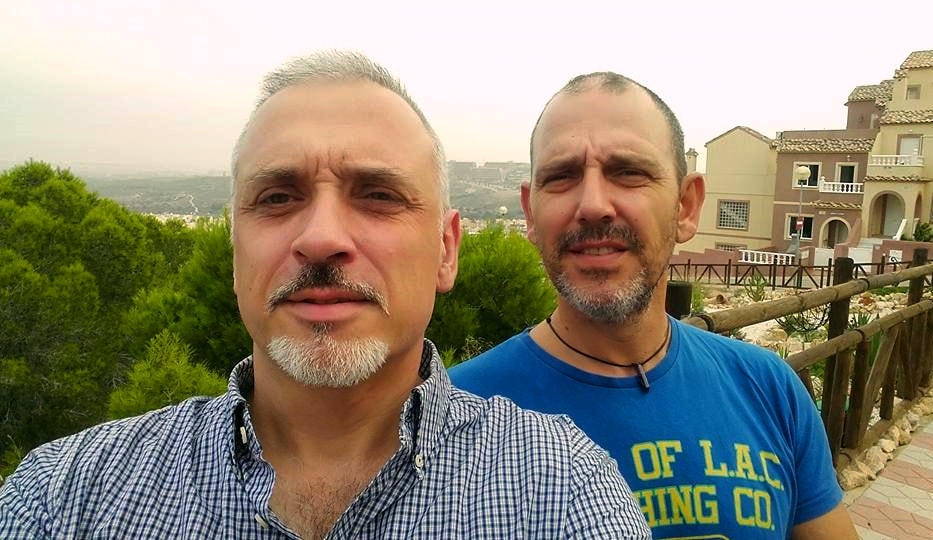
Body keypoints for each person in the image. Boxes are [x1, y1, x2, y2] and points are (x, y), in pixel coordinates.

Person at [0, 52, 650, 539]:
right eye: (277, 197)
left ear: (446, 250)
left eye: (378, 195)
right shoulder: (67, 499)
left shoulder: (561, 495)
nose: (320, 238)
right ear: (236, 251)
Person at [450, 72, 858, 539]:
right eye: (561, 177)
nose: (594, 205)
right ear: (530, 213)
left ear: (686, 206)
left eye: (629, 172)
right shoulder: (455, 418)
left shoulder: (769, 388)